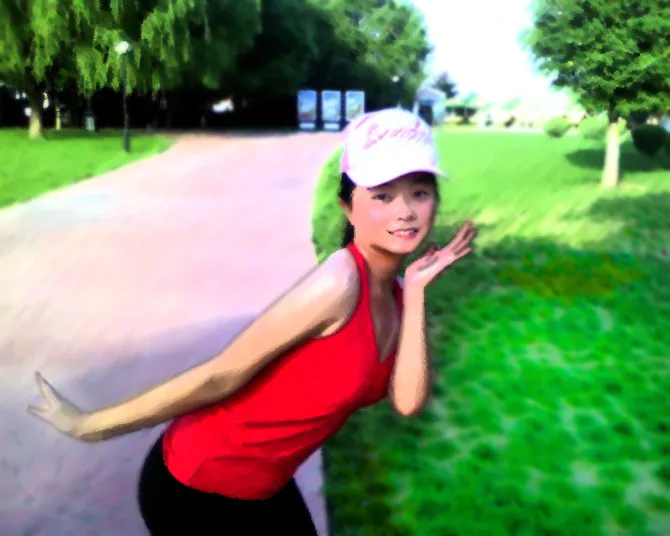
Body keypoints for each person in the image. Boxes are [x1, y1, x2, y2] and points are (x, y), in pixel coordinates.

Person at [27, 107, 476, 535]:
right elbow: (219, 376)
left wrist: (416, 292)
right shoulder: (338, 284)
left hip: (265, 486)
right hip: (198, 486)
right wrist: (89, 426)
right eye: (382, 195)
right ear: (347, 206)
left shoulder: (396, 295)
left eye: (420, 192)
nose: (405, 211)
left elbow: (407, 402)